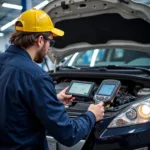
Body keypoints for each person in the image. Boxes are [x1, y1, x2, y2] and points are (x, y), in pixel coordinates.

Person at [0, 8, 104, 150]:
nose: (49, 48)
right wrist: (92, 115)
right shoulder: (37, 77)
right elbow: (68, 134)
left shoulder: (4, 62)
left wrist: (51, 99)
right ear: (40, 40)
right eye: (51, 42)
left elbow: (12, 101)